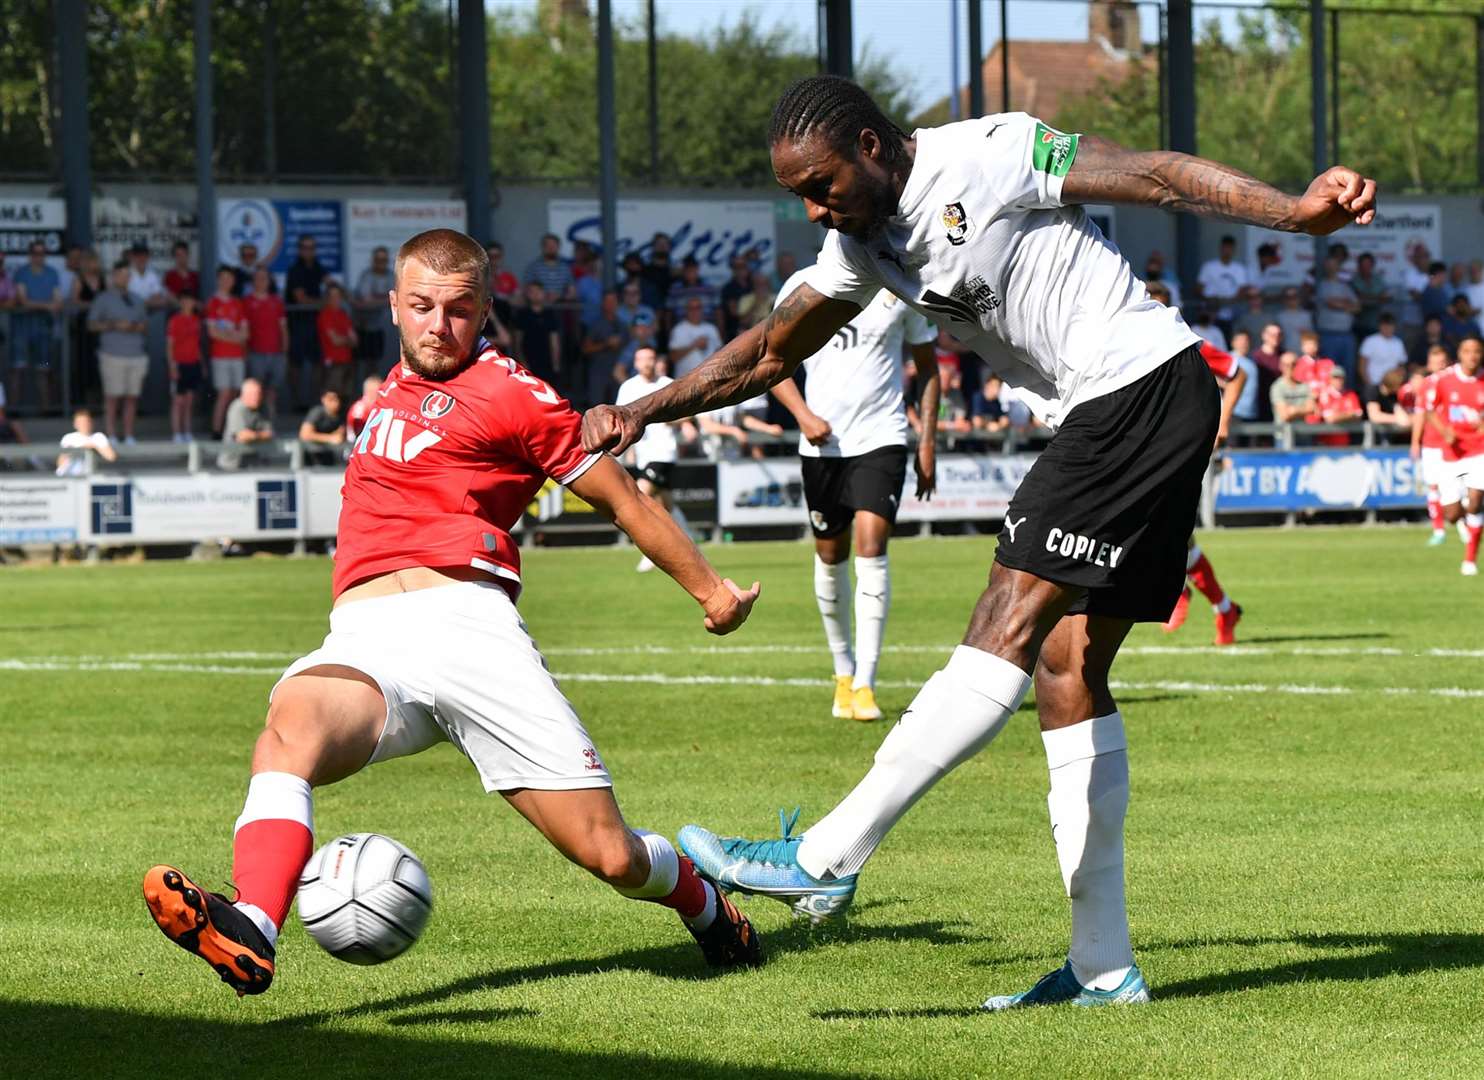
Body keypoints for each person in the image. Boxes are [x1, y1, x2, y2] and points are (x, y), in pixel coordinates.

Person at [581, 74, 1376, 1009]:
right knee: (1066, 666)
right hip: (1143, 405)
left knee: (1006, 619)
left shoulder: (989, 151)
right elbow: (766, 353)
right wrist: (642, 409)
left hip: (1138, 385)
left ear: (873, 148)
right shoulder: (859, 247)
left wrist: (1295, 212)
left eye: (822, 184)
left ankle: (826, 854)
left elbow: (1156, 176)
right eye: (798, 191)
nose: (812, 206)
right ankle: (1103, 968)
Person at [141, 229, 761, 996]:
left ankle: (702, 902)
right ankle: (254, 930)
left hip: (470, 631)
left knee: (611, 856)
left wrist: (712, 592)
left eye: (460, 310)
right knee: (288, 731)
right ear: (396, 307)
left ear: (485, 312)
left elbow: (621, 498)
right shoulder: (381, 399)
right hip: (366, 638)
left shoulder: (516, 393)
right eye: (424, 307)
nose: (441, 325)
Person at [767, 279, 939, 722]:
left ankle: (865, 681)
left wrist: (926, 442)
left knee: (871, 548)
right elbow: (773, 361)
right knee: (830, 557)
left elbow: (928, 368)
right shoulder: (805, 285)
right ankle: (842, 671)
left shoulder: (899, 288)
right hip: (822, 448)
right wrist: (803, 416)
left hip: (881, 438)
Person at [1147, 281, 1246, 644]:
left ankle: (1187, 594)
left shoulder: (1186, 344)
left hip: (1178, 450)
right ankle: (1220, 606)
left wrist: (1223, 421)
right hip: (1146, 452)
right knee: (1161, 534)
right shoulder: (1130, 344)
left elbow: (1237, 373)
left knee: (1169, 532)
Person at [614, 346, 697, 572]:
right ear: (635, 362)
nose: (647, 363)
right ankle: (687, 536)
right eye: (642, 359)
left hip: (664, 452)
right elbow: (621, 416)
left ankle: (652, 551)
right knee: (664, 502)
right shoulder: (629, 387)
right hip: (644, 453)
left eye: (651, 358)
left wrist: (681, 422)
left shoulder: (667, 384)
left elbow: (689, 409)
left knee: (639, 496)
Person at [1425, 335, 1484, 574]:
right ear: (1459, 353)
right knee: (1452, 514)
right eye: (1467, 351)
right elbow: (1429, 410)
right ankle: (1465, 519)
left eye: (1477, 351)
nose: (1472, 356)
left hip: (1479, 450)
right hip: (1452, 453)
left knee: (1476, 503)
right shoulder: (1445, 380)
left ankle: (1469, 560)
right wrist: (1444, 431)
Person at [88, 261, 150, 444]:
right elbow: (91, 324)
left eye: (127, 275)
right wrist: (114, 325)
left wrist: (133, 327)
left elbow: (145, 326)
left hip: (136, 354)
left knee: (132, 397)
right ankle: (111, 434)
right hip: (112, 354)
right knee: (112, 397)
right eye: (120, 275)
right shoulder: (103, 299)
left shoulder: (137, 299)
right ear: (114, 276)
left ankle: (129, 434)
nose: (124, 278)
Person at [1413, 345, 1459, 545]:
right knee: (1433, 486)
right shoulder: (1425, 385)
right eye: (1435, 362)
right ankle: (1438, 530)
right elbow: (1420, 414)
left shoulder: (1454, 382)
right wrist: (1415, 441)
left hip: (1454, 442)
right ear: (1429, 364)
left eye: (1442, 362)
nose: (1439, 366)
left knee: (1461, 485)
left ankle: (1464, 525)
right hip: (1431, 442)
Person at [10, 240, 62, 412]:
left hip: (44, 328)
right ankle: (13, 410)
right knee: (18, 368)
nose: (38, 257)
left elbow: (57, 300)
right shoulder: (22, 273)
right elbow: (24, 301)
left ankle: (46, 409)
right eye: (35, 253)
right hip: (22, 328)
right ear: (30, 255)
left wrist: (44, 305)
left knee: (44, 370)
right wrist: (46, 306)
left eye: (42, 253)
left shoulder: (52, 273)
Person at [206, 266, 249, 436]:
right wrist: (234, 336)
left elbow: (245, 333)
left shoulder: (238, 303)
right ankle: (217, 430)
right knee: (223, 393)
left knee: (237, 394)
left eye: (229, 278)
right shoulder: (213, 303)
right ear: (218, 279)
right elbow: (213, 332)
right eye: (223, 277)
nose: (226, 281)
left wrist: (229, 335)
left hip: (237, 356)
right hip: (220, 356)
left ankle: (233, 430)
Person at [286, 236, 328, 408]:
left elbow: (331, 283)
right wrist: (324, 303)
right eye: (305, 247)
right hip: (297, 324)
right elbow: (301, 299)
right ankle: (295, 402)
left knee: (318, 363)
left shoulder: (317, 266)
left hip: (316, 323)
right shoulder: (295, 269)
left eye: (311, 247)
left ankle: (314, 401)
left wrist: (345, 297)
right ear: (299, 249)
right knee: (296, 365)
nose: (308, 250)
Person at [244, 267, 289, 413]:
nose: (261, 281)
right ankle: (257, 421)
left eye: (264, 278)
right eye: (258, 278)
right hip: (256, 352)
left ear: (269, 281)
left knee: (272, 390)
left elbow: (283, 327)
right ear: (253, 281)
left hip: (276, 352)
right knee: (256, 389)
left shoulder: (277, 302)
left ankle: (270, 421)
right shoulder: (247, 302)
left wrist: (285, 348)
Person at [166, 292, 203, 442]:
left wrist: (202, 364)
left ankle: (187, 432)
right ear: (180, 302)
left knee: (189, 401)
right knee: (178, 401)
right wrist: (172, 366)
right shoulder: (174, 320)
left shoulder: (196, 320)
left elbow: (197, 345)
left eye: (191, 300)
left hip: (193, 363)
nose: (188, 303)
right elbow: (170, 346)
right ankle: (176, 433)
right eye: (185, 300)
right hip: (179, 364)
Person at [1314, 255, 1359, 377]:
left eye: (1334, 264)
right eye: (1329, 265)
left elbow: (1357, 307)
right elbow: (1331, 303)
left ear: (1339, 267)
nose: (1332, 267)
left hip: (1346, 334)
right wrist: (1346, 303)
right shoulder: (1323, 285)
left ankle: (1347, 396)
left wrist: (1341, 303)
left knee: (1348, 371)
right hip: (1328, 335)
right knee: (1330, 371)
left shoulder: (1346, 286)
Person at [217, 376, 274, 471]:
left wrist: (253, 436)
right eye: (253, 394)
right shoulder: (237, 407)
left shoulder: (264, 407)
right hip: (232, 464)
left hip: (255, 464)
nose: (257, 397)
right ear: (243, 395)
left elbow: (269, 434)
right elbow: (242, 436)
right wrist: (260, 436)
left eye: (259, 394)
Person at [581, 289, 627, 408]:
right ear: (603, 304)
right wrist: (606, 344)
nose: (611, 304)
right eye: (608, 301)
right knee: (596, 408)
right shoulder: (595, 324)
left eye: (613, 301)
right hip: (598, 372)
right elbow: (585, 349)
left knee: (618, 407)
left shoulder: (622, 324)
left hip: (617, 372)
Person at [354, 245, 398, 368]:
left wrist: (376, 300)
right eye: (378, 259)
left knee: (385, 363)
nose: (380, 263)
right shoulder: (366, 276)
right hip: (366, 326)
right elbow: (365, 301)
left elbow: (396, 297)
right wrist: (385, 299)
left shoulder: (391, 276)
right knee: (366, 365)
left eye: (383, 260)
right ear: (373, 260)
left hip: (388, 331)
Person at [511, 281, 562, 385]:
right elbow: (517, 342)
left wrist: (556, 365)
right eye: (532, 292)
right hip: (528, 361)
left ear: (543, 293)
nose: (535, 294)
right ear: (527, 294)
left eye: (538, 291)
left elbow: (554, 342)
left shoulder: (550, 314)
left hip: (547, 362)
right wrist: (522, 362)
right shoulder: (522, 315)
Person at [1196, 234, 1248, 334]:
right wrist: (1212, 301)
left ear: (1234, 249)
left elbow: (1243, 291)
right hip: (1210, 314)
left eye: (1230, 248)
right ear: (1221, 248)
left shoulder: (1239, 269)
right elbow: (1198, 289)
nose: (1227, 251)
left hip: (1231, 314)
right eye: (1225, 247)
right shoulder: (1209, 266)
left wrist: (1227, 301)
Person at [316, 283, 358, 401]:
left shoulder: (343, 314)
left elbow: (355, 340)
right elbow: (335, 341)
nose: (336, 299)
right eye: (333, 296)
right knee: (332, 397)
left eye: (338, 296)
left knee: (346, 396)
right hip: (332, 363)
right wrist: (347, 340)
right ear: (327, 298)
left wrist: (344, 339)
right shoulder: (325, 315)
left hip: (347, 361)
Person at [667, 297, 723, 379]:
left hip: (710, 381)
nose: (695, 311)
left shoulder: (712, 328)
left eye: (698, 307)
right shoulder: (678, 329)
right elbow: (673, 357)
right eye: (691, 308)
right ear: (686, 310)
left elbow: (721, 355)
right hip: (684, 382)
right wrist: (694, 345)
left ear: (702, 309)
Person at [56, 407, 117, 476]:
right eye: (80, 422)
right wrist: (79, 449)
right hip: (69, 476)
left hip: (90, 477)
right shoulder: (68, 437)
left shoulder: (99, 437)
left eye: (86, 422)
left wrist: (93, 447)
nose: (84, 424)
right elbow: (60, 463)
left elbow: (111, 457)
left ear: (91, 423)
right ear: (75, 424)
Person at [1358, 313, 1407, 392]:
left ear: (1394, 327)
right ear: (1379, 326)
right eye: (1385, 325)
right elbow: (1362, 365)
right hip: (1373, 384)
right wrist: (1368, 383)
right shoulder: (1370, 341)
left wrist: (1396, 383)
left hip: (1392, 387)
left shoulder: (1398, 343)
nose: (1387, 328)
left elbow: (1401, 366)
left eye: (1390, 325)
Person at [298, 387, 346, 467]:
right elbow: (304, 434)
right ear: (323, 399)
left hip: (329, 457)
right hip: (311, 457)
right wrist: (330, 438)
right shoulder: (317, 412)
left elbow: (340, 435)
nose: (335, 402)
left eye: (337, 399)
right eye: (331, 399)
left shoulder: (341, 416)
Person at [523, 233, 576, 303]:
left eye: (553, 246)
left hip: (560, 308)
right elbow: (526, 289)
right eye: (548, 246)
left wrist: (561, 297)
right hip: (539, 308)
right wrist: (542, 296)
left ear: (558, 247)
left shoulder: (565, 268)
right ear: (542, 247)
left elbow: (572, 291)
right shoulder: (533, 267)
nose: (551, 248)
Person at [1350, 251, 1390, 339]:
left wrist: (1368, 298)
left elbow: (1386, 297)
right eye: (1363, 264)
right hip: (1358, 324)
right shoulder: (1354, 280)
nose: (1365, 267)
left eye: (1368, 264)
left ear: (1372, 265)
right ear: (1359, 265)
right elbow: (1358, 297)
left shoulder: (1378, 280)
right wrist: (1377, 297)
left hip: (1375, 323)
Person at [1270, 351, 1314, 423]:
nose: (1290, 368)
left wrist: (1294, 410)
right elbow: (1285, 415)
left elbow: (1311, 409)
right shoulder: (1277, 387)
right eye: (1286, 365)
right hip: (1284, 433)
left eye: (1293, 364)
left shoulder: (1305, 386)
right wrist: (1303, 409)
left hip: (1303, 432)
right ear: (1280, 366)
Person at [720, 256, 754, 340]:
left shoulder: (753, 286)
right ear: (733, 270)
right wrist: (756, 306)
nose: (740, 269)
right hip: (734, 333)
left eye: (743, 266)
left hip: (755, 329)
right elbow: (735, 312)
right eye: (737, 267)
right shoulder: (728, 288)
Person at [1274, 286, 1314, 353]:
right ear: (1284, 299)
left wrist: (1307, 333)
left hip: (1304, 352)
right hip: (1285, 353)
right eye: (1288, 297)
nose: (1292, 299)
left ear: (1299, 298)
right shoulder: (1279, 316)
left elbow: (1312, 336)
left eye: (1295, 296)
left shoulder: (1307, 315)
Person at [345, 372, 382, 442]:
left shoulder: (380, 407)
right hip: (357, 445)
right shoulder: (358, 411)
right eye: (377, 392)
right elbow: (360, 436)